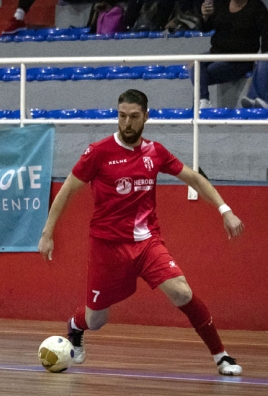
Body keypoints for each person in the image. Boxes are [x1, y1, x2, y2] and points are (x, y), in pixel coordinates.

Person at [38, 89, 244, 376]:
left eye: (134, 117)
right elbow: (67, 190)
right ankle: (75, 326)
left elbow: (194, 178)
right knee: (96, 320)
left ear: (146, 117)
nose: (127, 123)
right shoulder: (98, 153)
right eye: (122, 116)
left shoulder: (155, 152)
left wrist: (225, 210)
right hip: (107, 247)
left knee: (182, 292)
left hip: (147, 242)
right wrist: (48, 233)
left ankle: (221, 356)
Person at [192, 0, 268, 108]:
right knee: (195, 65)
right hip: (216, 53)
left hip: (240, 59)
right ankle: (203, 100)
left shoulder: (257, 7)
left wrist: (262, 59)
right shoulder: (221, 3)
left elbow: (266, 35)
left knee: (202, 73)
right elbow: (207, 27)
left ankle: (255, 98)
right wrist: (205, 17)